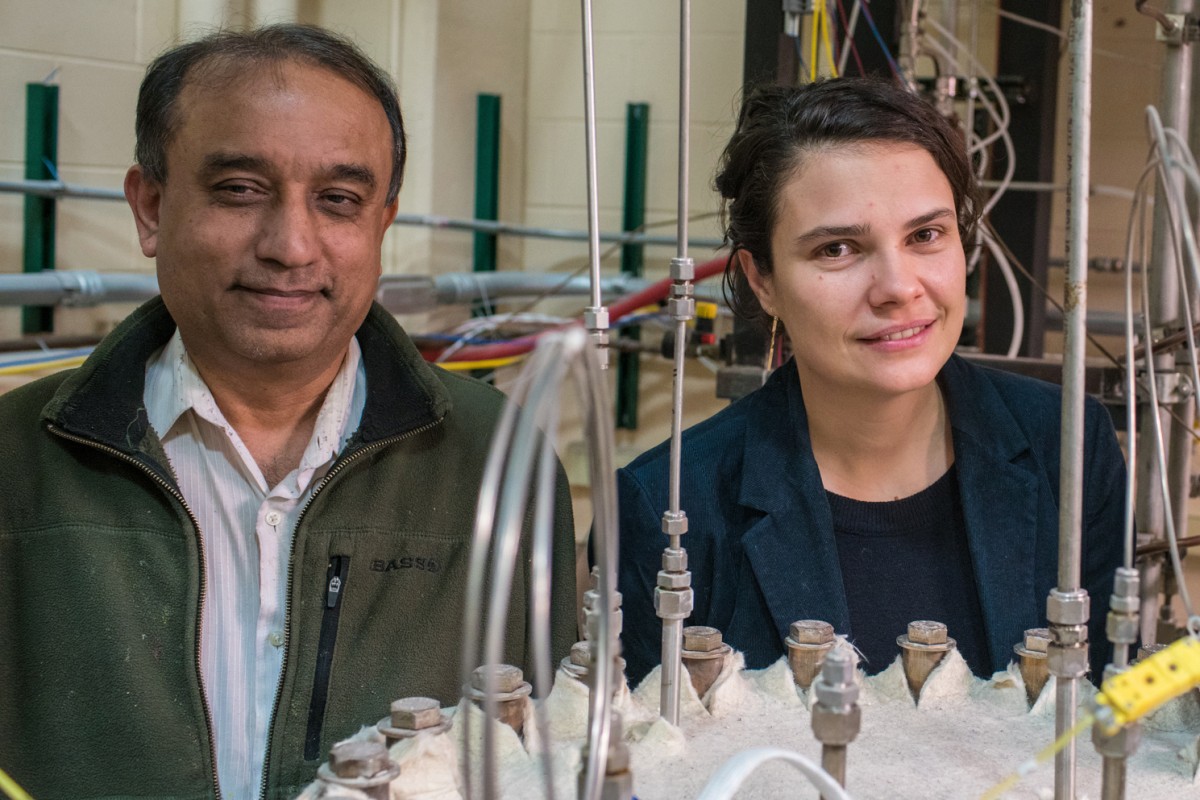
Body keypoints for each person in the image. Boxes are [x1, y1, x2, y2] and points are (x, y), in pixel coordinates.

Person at [0, 24, 576, 800]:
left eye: (339, 201)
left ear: (381, 224)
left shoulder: (498, 464)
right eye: (241, 189)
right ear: (151, 206)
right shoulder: (18, 466)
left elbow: (542, 752)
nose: (292, 245)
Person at [617, 78, 1124, 688]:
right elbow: (655, 764)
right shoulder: (670, 503)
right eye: (838, 249)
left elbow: (1107, 715)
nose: (898, 287)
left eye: (926, 236)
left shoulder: (1066, 445)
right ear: (764, 280)